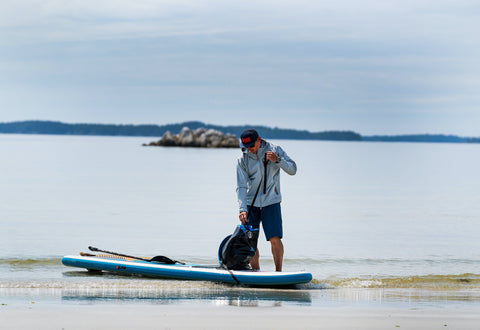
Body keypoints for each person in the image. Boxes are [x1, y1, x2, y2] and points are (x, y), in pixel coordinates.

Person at [236, 129, 297, 271]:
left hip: (272, 202)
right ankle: (256, 273)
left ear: (259, 140)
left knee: (275, 239)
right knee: (250, 242)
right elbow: (241, 186)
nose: (249, 149)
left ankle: (278, 273)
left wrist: (278, 160)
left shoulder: (275, 150)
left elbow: (293, 170)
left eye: (252, 145)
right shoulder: (242, 159)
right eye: (246, 147)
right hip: (251, 205)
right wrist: (242, 209)